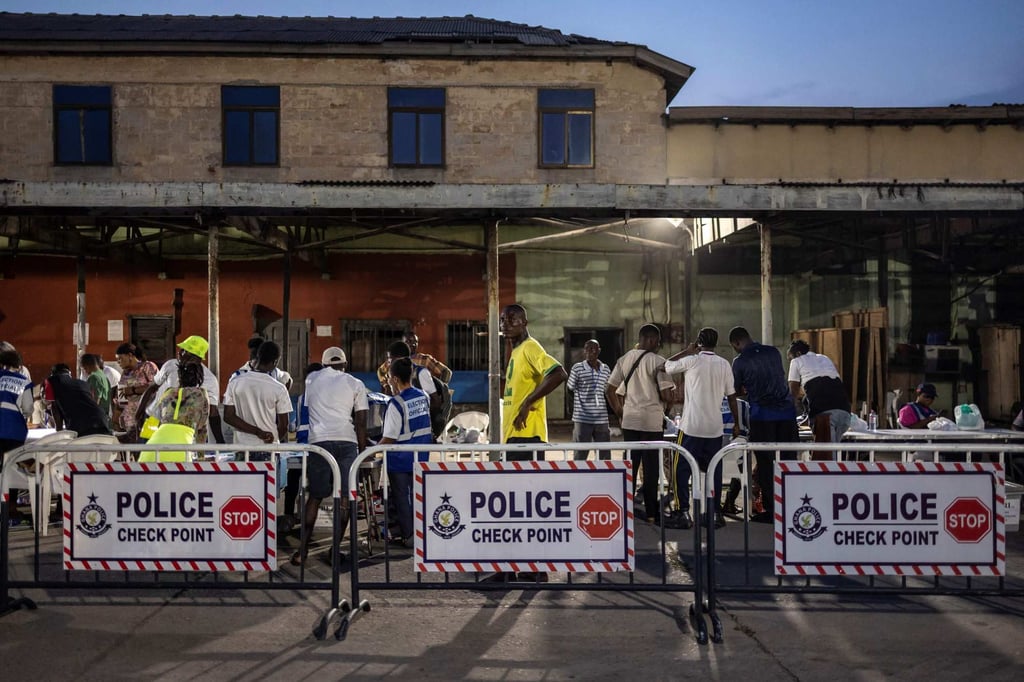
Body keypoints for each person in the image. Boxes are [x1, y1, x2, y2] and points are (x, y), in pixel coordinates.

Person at [497, 304, 567, 583]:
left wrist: (528, 403)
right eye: (503, 319)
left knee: (526, 506)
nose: (506, 323)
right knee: (518, 507)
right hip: (515, 438)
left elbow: (558, 373)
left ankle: (534, 568)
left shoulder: (531, 347)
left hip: (528, 438)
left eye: (512, 319)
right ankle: (520, 567)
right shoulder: (516, 350)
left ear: (524, 321)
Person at [292, 346, 368, 566]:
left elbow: (308, 406)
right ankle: (334, 552)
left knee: (315, 496)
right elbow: (361, 422)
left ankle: (302, 551)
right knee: (344, 498)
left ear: (324, 364)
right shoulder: (355, 383)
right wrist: (362, 452)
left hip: (319, 443)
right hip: (347, 442)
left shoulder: (311, 381)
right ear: (344, 364)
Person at [660, 327, 738, 529]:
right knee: (714, 472)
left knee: (680, 469)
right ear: (716, 342)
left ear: (698, 342)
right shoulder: (724, 364)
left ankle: (683, 512)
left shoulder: (692, 360)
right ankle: (714, 514)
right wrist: (737, 423)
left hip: (691, 428)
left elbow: (665, 366)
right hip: (714, 429)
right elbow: (731, 396)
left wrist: (687, 350)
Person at [729, 326, 799, 523]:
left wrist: (748, 387)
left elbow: (735, 390)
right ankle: (792, 505)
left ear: (736, 343)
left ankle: (771, 511)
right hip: (787, 413)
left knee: (766, 464)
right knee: (788, 460)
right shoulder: (774, 352)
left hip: (762, 416)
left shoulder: (740, 361)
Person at [606, 324, 675, 524]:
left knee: (630, 464)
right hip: (651, 421)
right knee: (651, 468)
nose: (659, 344)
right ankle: (652, 513)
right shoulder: (659, 362)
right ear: (652, 340)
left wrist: (621, 412)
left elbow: (610, 390)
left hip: (630, 420)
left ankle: (624, 509)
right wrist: (667, 407)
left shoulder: (624, 359)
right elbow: (665, 394)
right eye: (658, 341)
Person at [378, 357, 433, 547]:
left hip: (400, 460)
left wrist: (372, 449)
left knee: (402, 499)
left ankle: (409, 536)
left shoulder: (396, 404)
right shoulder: (423, 396)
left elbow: (390, 438)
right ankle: (421, 533)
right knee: (419, 496)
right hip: (421, 455)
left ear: (393, 379)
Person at [136, 335, 225, 444]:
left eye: (184, 351)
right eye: (181, 349)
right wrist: (138, 415)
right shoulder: (170, 365)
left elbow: (213, 413)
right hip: (153, 419)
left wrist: (220, 441)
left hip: (183, 429)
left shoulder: (210, 380)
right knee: (145, 448)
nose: (179, 353)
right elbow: (152, 388)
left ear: (197, 358)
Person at [223, 341, 292, 460]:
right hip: (268, 450)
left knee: (244, 479)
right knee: (268, 479)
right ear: (275, 362)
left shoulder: (235, 382)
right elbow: (284, 425)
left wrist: (257, 432)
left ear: (257, 357)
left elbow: (228, 416)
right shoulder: (279, 388)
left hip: (242, 448)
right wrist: (273, 439)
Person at [787, 340, 851, 444]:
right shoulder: (824, 358)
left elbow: (792, 391)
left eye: (790, 358)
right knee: (834, 451)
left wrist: (789, 418)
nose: (790, 361)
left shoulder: (797, 361)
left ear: (798, 353)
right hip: (845, 412)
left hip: (825, 415)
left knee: (826, 456)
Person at [1, 348, 34, 526]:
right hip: (13, 431)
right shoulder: (23, 381)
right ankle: (11, 509)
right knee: (11, 469)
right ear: (18, 365)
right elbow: (28, 408)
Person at [566, 339, 612, 460]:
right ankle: (577, 477)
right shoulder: (577, 368)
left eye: (594, 348)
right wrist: (575, 408)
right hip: (582, 418)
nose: (591, 351)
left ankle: (604, 477)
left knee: (604, 454)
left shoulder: (605, 369)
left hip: (601, 418)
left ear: (599, 350)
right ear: (584, 351)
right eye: (588, 349)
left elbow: (609, 390)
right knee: (580, 453)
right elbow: (570, 389)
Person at [377, 331, 452, 395]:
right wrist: (386, 386)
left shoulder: (425, 359)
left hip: (422, 399)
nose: (412, 344)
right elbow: (380, 372)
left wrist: (441, 389)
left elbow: (446, 372)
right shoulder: (395, 360)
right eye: (408, 341)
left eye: (415, 342)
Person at [44, 364, 111, 436]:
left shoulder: (51, 382)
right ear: (69, 373)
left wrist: (59, 432)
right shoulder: (83, 383)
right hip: (101, 419)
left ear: (52, 374)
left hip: (80, 424)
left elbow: (54, 409)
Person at [113, 343, 158, 442]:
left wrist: (133, 390)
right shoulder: (124, 374)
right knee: (133, 451)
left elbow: (156, 386)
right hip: (130, 422)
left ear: (130, 355)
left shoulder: (147, 366)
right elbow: (121, 398)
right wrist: (116, 417)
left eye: (120, 358)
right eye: (117, 360)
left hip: (147, 417)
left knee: (147, 446)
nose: (119, 362)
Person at [229, 336, 293, 391]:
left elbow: (288, 379)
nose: (254, 358)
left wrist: (282, 395)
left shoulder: (274, 372)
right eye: (253, 354)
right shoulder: (239, 374)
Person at [80, 354, 112, 419]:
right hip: (104, 415)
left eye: (84, 368)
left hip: (96, 417)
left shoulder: (93, 377)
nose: (85, 372)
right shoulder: (103, 376)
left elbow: (94, 400)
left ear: (87, 365)